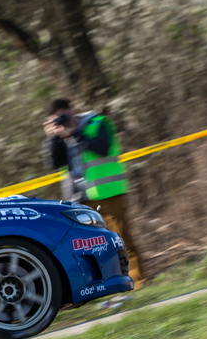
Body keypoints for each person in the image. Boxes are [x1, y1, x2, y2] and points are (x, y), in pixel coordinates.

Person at [42, 98, 144, 289]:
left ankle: (138, 284)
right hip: (81, 201)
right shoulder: (60, 137)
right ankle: (109, 288)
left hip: (108, 193)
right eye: (58, 118)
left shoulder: (98, 122)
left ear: (73, 109)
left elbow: (103, 147)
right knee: (92, 248)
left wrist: (75, 132)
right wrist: (52, 138)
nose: (64, 120)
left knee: (122, 241)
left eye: (65, 115)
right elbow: (54, 163)